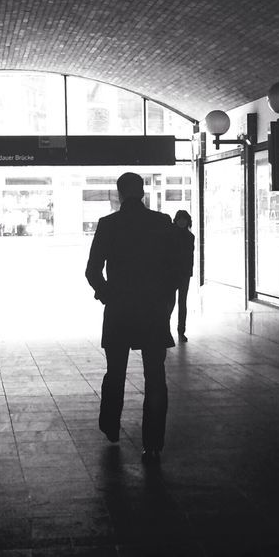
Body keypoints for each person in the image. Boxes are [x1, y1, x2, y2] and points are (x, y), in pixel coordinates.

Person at [85, 172, 179, 464]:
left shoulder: (108, 225)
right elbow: (173, 269)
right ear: (142, 191)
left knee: (115, 372)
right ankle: (152, 443)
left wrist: (106, 294)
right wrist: (164, 301)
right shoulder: (162, 223)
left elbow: (92, 271)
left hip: (120, 311)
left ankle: (111, 426)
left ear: (120, 193)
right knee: (155, 377)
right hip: (152, 310)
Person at [172, 210, 195, 343]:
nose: (182, 221)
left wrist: (189, 272)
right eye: (180, 219)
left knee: (182, 303)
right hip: (172, 273)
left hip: (184, 274)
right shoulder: (171, 235)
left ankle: (181, 330)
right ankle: (167, 329)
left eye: (184, 219)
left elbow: (190, 257)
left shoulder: (190, 237)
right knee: (170, 302)